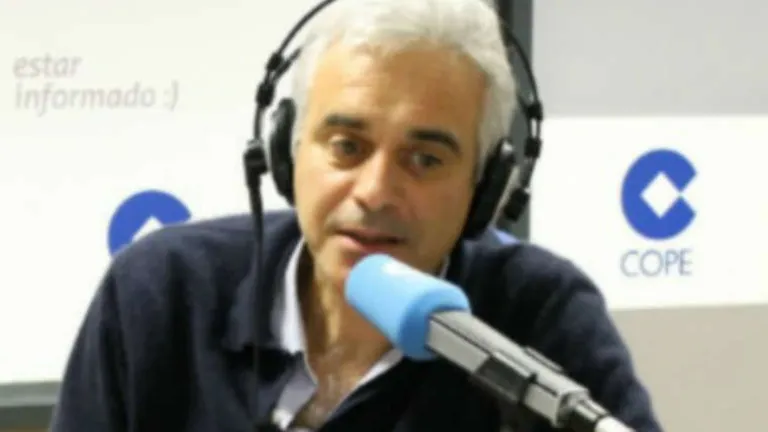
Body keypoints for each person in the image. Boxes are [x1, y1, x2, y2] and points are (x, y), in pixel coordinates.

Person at [50, 0, 663, 431]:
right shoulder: (160, 294)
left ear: (484, 187)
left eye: (425, 159)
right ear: (288, 151)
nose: (375, 191)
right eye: (347, 146)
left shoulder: (538, 315)